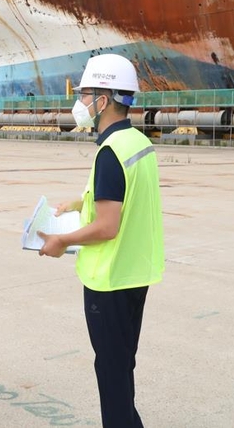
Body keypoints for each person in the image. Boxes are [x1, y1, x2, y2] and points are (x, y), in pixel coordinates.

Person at [38, 54, 165, 428]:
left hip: (108, 280)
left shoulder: (110, 153)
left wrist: (62, 241)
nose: (81, 102)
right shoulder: (138, 143)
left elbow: (108, 226)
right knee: (121, 368)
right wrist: (82, 202)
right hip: (135, 274)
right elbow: (127, 200)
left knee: (111, 376)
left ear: (105, 99)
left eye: (86, 94)